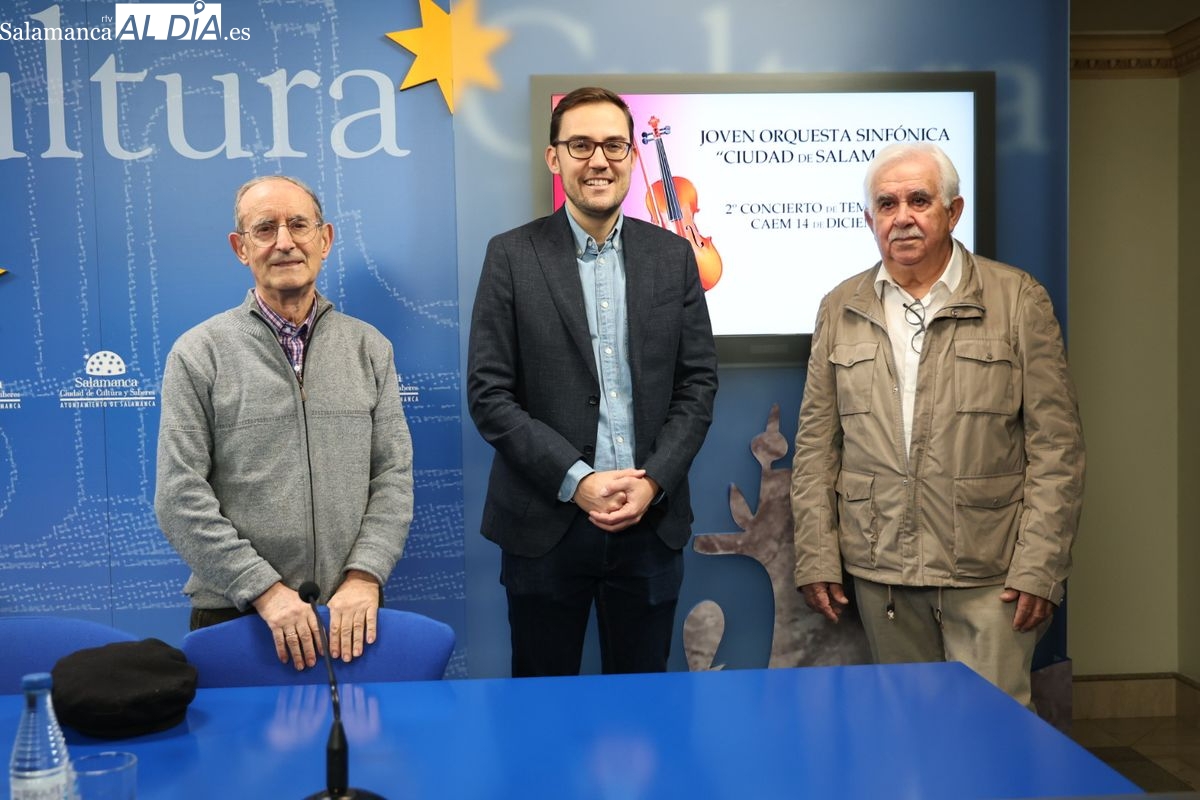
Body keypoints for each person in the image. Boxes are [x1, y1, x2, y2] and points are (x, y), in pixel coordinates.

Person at [790, 142, 1084, 708]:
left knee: (993, 742)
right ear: (869, 219)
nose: (902, 217)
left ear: (953, 212)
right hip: (883, 575)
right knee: (908, 742)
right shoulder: (840, 306)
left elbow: (1058, 448)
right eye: (886, 204)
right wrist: (818, 556)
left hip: (991, 577)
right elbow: (815, 448)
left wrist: (1039, 567)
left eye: (919, 200)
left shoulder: (1017, 299)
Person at [467, 87, 719, 677]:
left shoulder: (674, 256)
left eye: (612, 145)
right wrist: (575, 480)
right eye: (580, 145)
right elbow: (489, 394)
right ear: (555, 159)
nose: (598, 160)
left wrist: (654, 480)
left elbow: (698, 385)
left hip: (649, 525)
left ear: (632, 157)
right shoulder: (510, 255)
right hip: (543, 525)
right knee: (540, 705)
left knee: (643, 713)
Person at [155, 175, 413, 670]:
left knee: (357, 745)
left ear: (325, 239)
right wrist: (265, 591)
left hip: (349, 614)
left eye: (298, 225)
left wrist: (365, 576)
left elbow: (393, 477)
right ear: (240, 248)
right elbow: (178, 496)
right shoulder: (198, 353)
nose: (285, 242)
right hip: (234, 614)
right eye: (265, 228)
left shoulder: (370, 348)